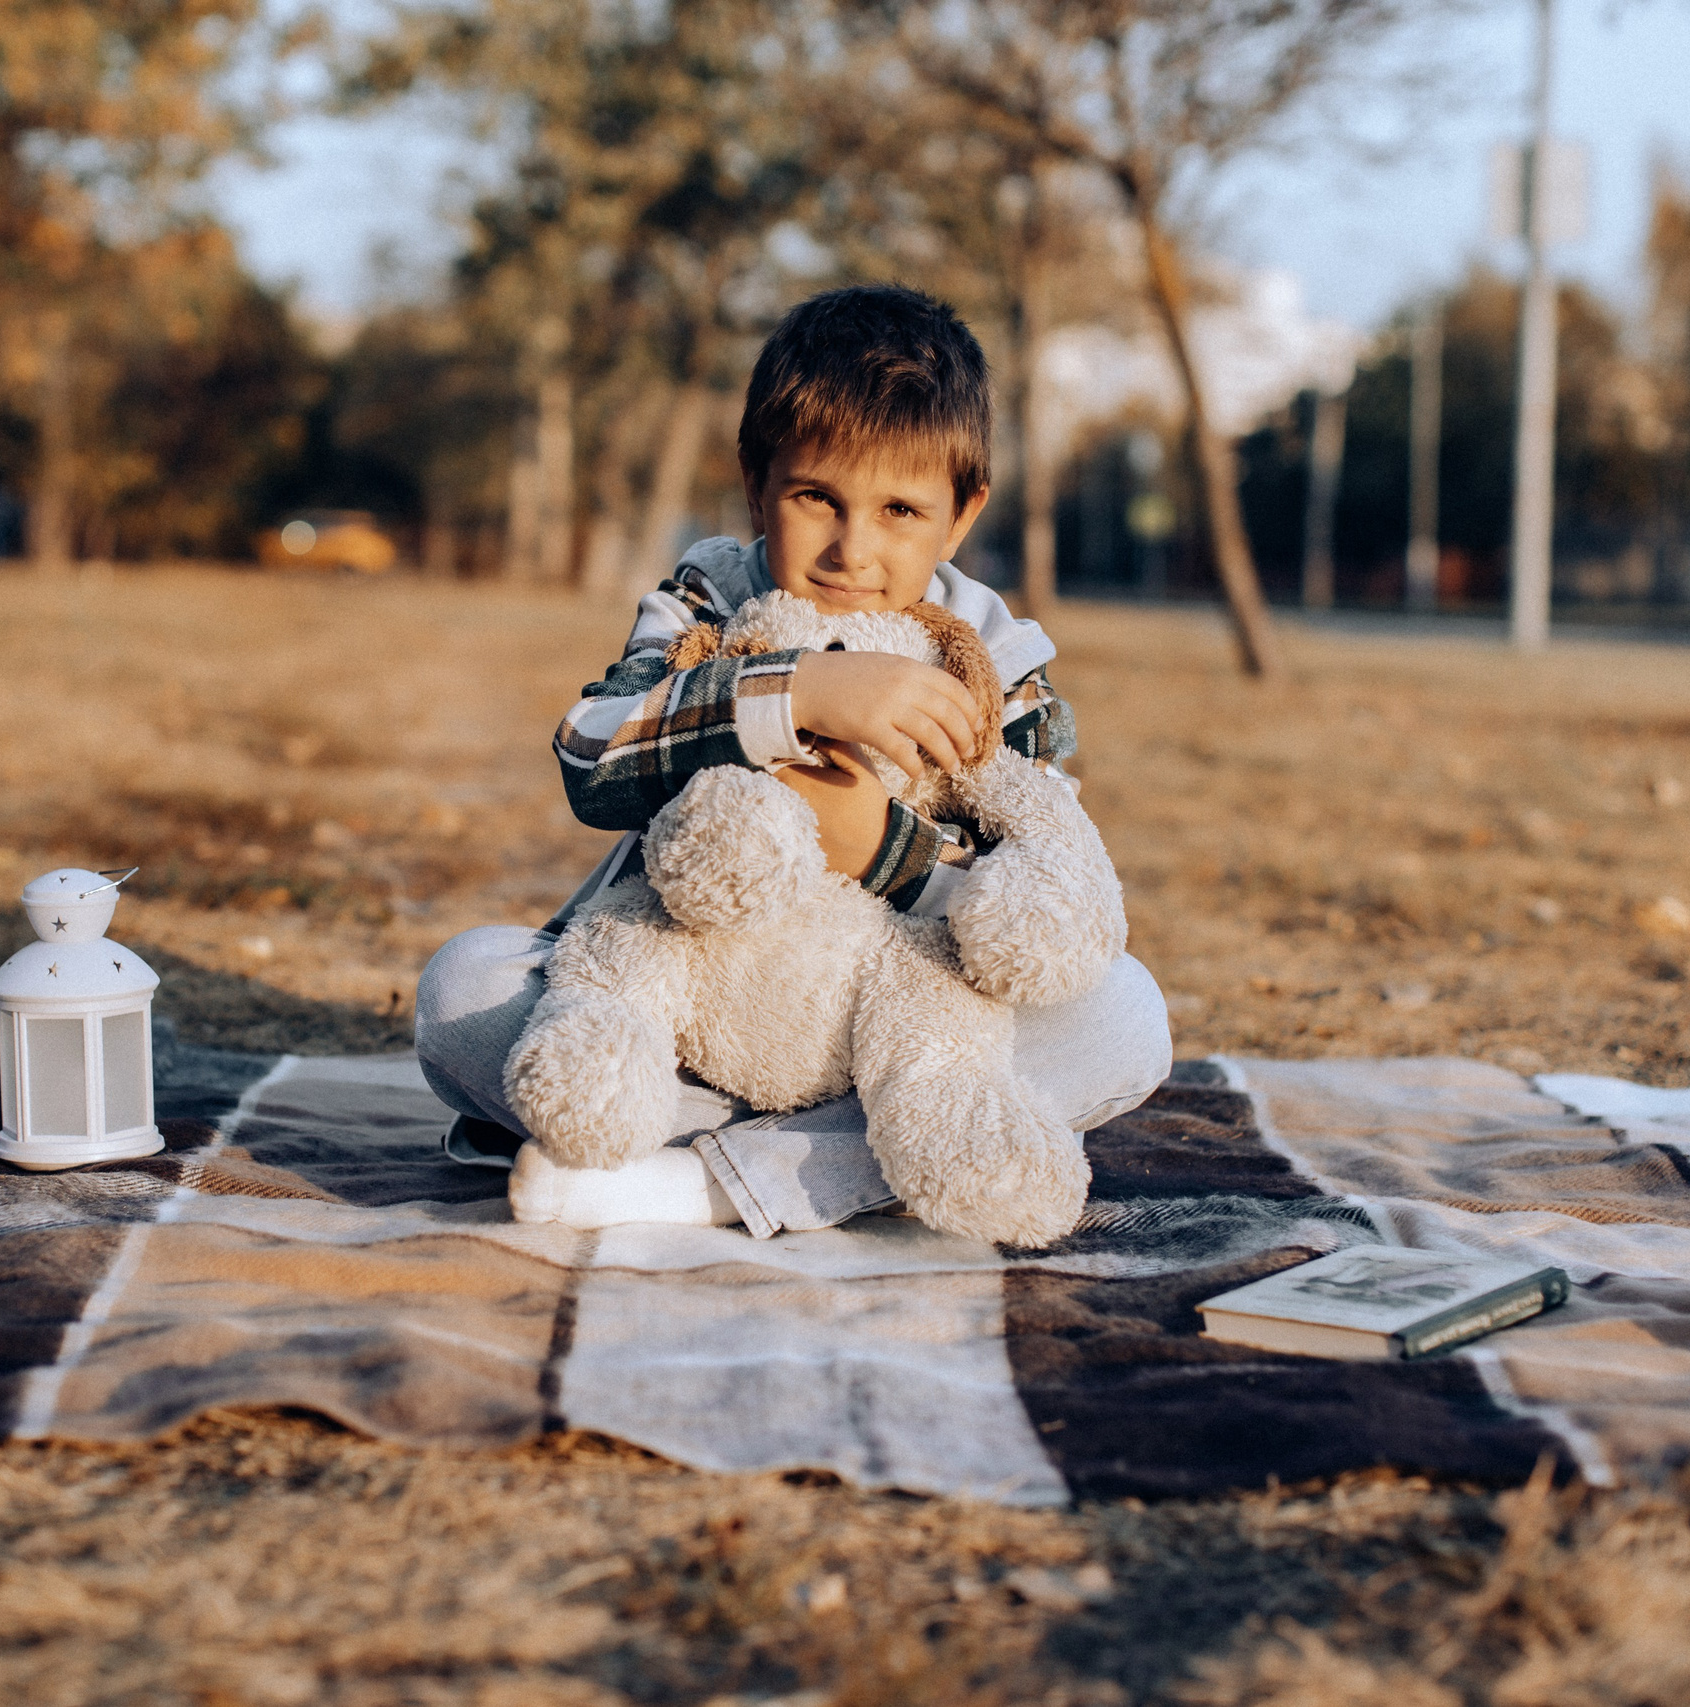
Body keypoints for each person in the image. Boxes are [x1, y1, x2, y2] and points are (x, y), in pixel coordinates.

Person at [415, 284, 1171, 1237]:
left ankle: (702, 1183)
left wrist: (882, 849)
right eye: (818, 497)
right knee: (460, 991)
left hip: (903, 1028)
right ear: (756, 482)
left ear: (962, 513)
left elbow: (1051, 897)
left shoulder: (996, 659)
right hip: (696, 1007)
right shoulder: (709, 597)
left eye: (901, 509)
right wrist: (795, 692)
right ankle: (837, 1154)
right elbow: (590, 752)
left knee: (1129, 1018)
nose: (853, 550)